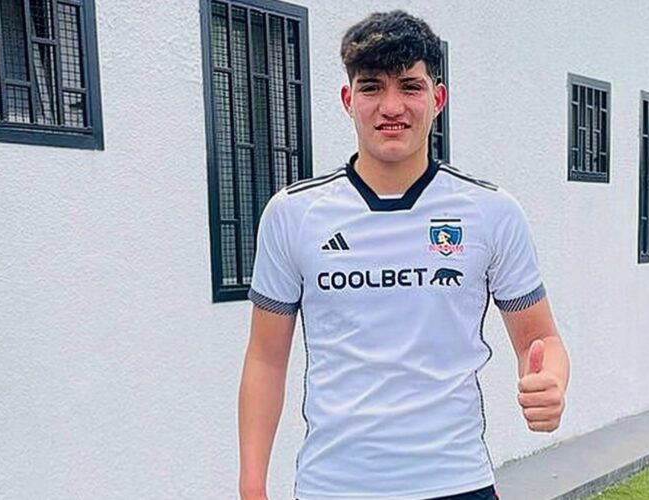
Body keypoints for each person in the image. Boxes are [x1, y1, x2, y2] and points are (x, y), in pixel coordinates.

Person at [238, 10, 570, 500]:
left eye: (409, 87)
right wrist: (252, 485)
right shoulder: (294, 214)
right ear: (349, 100)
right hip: (333, 487)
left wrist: (550, 382)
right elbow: (266, 359)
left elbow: (540, 338)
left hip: (456, 483)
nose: (391, 106)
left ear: (437, 98)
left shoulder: (490, 212)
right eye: (372, 87)